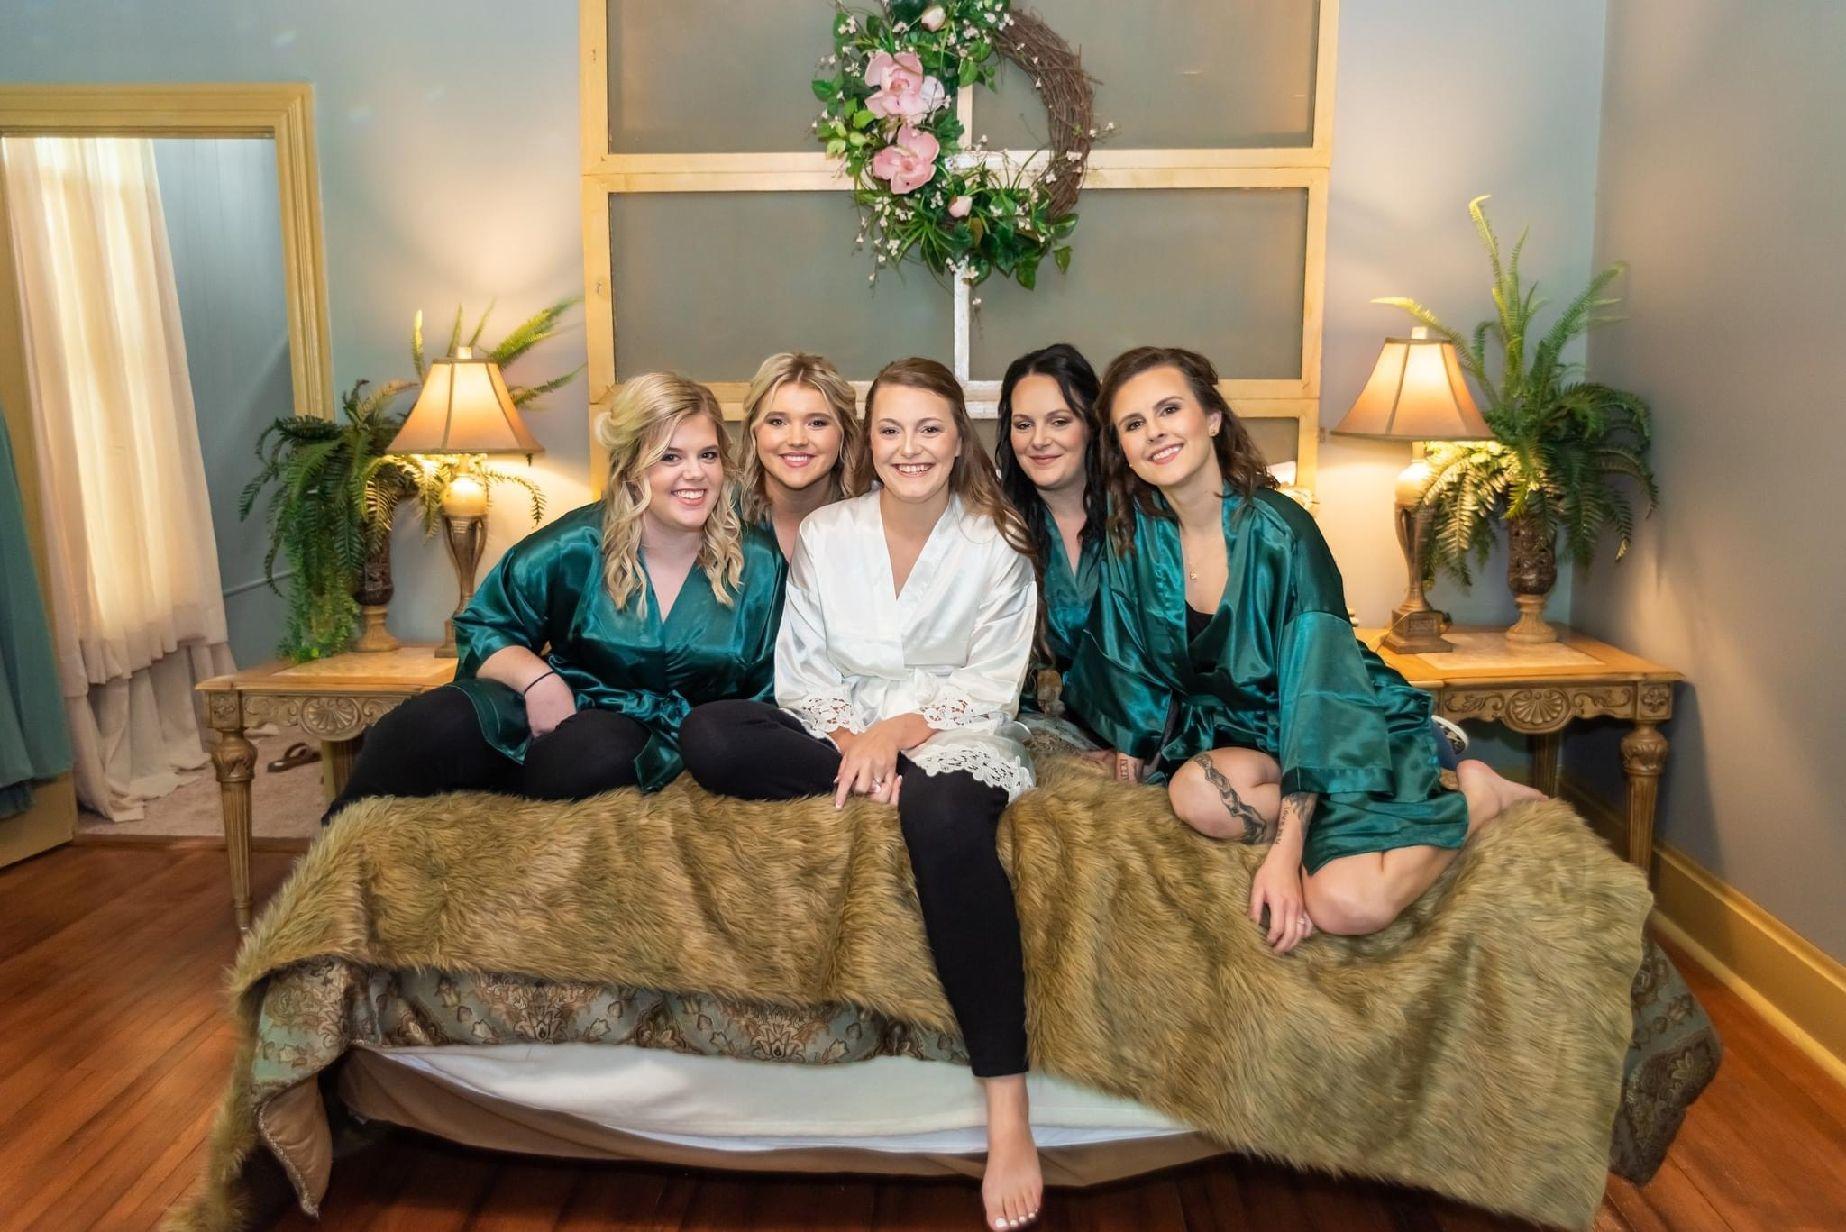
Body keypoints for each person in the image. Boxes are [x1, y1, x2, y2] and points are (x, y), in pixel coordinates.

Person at [678, 357, 1045, 1231]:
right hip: (840, 734)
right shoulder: (831, 536)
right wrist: (852, 742)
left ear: (960, 439)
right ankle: (882, 785)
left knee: (945, 815)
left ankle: (1007, 1108)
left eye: (930, 429)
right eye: (891, 429)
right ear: (867, 440)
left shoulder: (999, 541)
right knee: (713, 736)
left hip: (955, 736)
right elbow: (799, 673)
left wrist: (897, 737)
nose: (910, 447)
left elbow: (993, 686)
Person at [1066, 346, 1542, 954]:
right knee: (1194, 795)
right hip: (1242, 733)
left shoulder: (1282, 531)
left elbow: (1317, 696)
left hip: (1338, 722)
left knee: (1346, 905)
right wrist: (1127, 793)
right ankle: (1342, 833)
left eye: (1168, 409)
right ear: (1123, 450)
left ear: (1211, 418)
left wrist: (1285, 858)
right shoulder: (1134, 537)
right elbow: (1129, 677)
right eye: (1133, 425)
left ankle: (1478, 796)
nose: (1154, 432)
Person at [322, 372, 784, 820]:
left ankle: (499, 819)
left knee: (593, 751)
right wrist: (538, 680)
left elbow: (769, 688)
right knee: (432, 721)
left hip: (640, 737)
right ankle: (336, 847)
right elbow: (484, 625)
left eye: (707, 455)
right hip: (560, 703)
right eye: (669, 457)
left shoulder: (758, 562)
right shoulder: (577, 543)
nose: (694, 474)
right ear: (630, 466)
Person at [993, 343, 1105, 735]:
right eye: (1024, 425)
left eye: (1059, 421)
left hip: (1143, 731)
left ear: (1091, 424)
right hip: (1032, 727)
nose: (1038, 440)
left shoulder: (1139, 520)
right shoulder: (996, 528)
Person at [737, 350, 867, 558]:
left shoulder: (874, 521)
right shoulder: (719, 517)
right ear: (754, 433)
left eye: (817, 423)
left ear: (844, 435)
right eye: (777, 422)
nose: (797, 440)